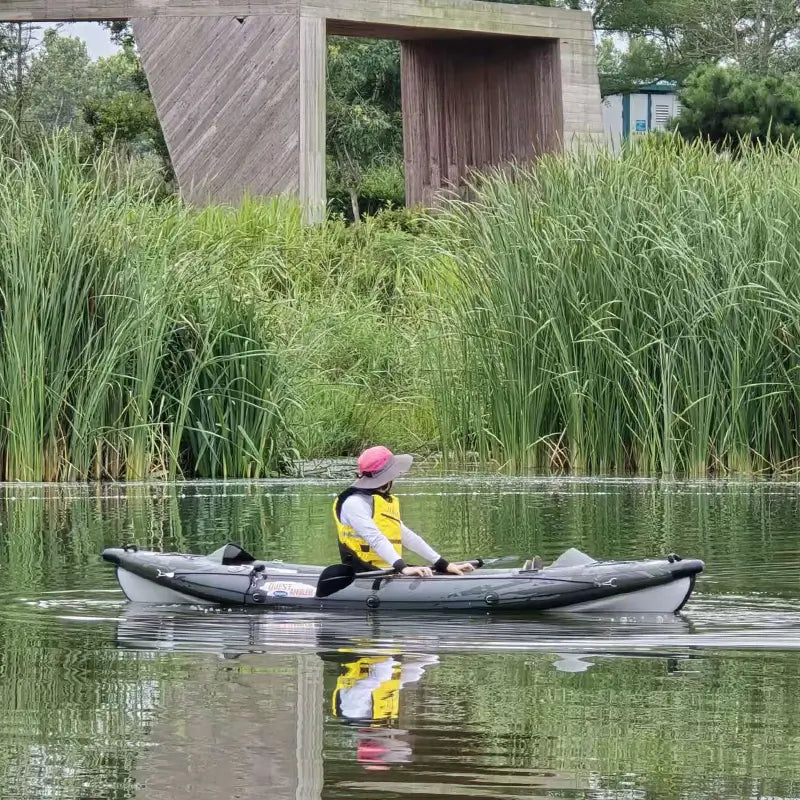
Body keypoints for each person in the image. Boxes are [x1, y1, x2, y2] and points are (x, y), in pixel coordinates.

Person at [333, 445, 476, 577]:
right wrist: (403, 568)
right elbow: (375, 538)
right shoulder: (354, 503)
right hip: (363, 573)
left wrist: (442, 563)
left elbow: (406, 536)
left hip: (386, 570)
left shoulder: (378, 501)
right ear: (386, 479)